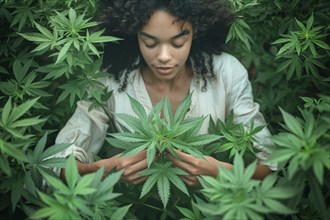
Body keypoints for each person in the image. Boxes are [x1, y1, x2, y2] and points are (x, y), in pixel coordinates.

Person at [54, 0, 277, 186]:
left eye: (178, 42)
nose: (163, 56)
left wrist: (222, 172)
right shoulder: (109, 79)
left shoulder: (227, 73)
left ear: (195, 31)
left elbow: (271, 166)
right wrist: (102, 170)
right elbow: (56, 164)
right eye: (150, 42)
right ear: (134, 35)